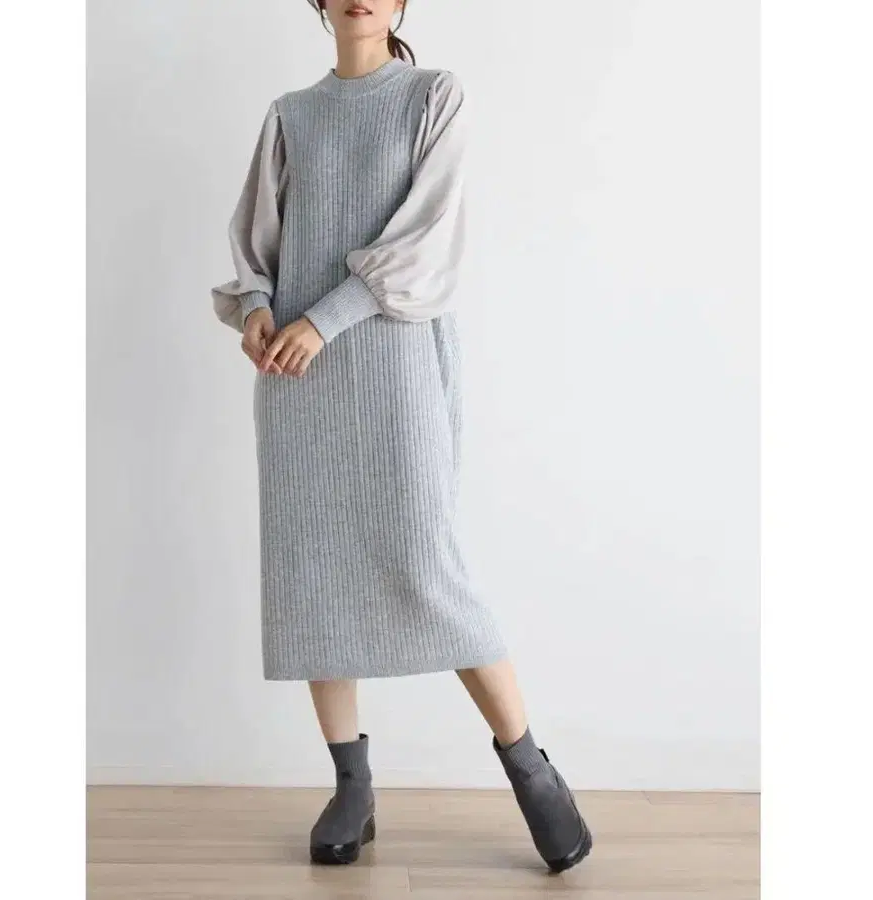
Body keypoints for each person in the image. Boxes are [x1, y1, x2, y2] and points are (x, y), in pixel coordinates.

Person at [210, 0, 592, 873]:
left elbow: (429, 242)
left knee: (428, 565)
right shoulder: (291, 115)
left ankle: (530, 767)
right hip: (296, 380)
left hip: (393, 369)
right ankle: (351, 785)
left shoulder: (433, 97)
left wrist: (324, 318)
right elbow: (256, 246)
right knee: (314, 575)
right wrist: (259, 310)